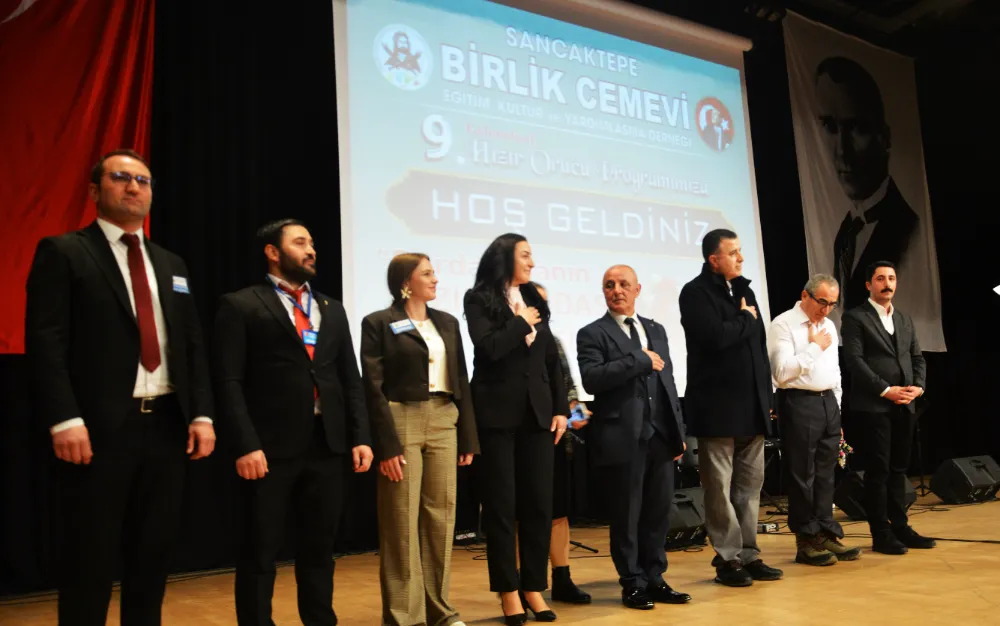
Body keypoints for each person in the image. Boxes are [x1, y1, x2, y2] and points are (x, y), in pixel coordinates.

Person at [25, 149, 216, 625]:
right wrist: (64, 419)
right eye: (120, 177)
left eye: (143, 180)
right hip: (97, 430)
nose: (133, 187)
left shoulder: (171, 263)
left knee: (152, 556)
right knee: (88, 559)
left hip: (167, 426)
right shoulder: (65, 251)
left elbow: (191, 346)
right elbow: (46, 344)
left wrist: (201, 414)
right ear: (95, 190)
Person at [213, 219, 373, 625]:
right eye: (300, 242)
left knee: (319, 549)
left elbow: (349, 378)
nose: (311, 250)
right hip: (268, 449)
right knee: (259, 550)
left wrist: (360, 435)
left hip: (326, 444)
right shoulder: (242, 304)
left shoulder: (331, 308)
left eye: (312, 243)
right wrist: (246, 444)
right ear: (273, 252)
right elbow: (229, 381)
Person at [360, 253, 479, 626]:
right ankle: (404, 616)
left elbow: (461, 379)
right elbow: (373, 387)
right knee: (401, 518)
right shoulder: (379, 322)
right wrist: (386, 444)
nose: (435, 279)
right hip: (401, 418)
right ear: (405, 282)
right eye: (427, 273)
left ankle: (440, 611)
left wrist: (468, 437)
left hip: (444, 417)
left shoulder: (447, 322)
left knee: (441, 516)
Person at [463, 233, 569, 626]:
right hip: (496, 417)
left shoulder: (534, 298)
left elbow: (550, 358)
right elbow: (488, 348)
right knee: (501, 508)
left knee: (539, 505)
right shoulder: (478, 299)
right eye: (525, 255)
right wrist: (519, 322)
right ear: (504, 258)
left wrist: (561, 408)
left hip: (537, 415)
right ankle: (508, 591)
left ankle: (533, 588)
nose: (531, 262)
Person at [576, 265, 691, 610]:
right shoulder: (592, 333)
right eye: (609, 285)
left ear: (637, 289)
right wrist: (637, 361)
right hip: (622, 436)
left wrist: (678, 431)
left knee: (658, 513)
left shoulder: (655, 329)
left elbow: (668, 382)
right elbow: (592, 379)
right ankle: (632, 583)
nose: (617, 290)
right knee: (627, 515)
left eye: (623, 284)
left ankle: (655, 578)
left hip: (661, 436)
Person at [678, 228, 783, 587]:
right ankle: (727, 559)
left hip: (752, 407)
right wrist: (745, 319)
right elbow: (714, 338)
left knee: (749, 488)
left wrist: (767, 399)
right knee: (719, 489)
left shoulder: (745, 291)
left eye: (740, 251)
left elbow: (759, 351)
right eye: (733, 252)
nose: (741, 258)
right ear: (714, 259)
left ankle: (749, 554)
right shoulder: (695, 293)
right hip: (717, 408)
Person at [768, 274, 862, 566]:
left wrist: (837, 409)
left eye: (832, 304)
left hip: (828, 402)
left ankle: (826, 534)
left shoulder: (829, 326)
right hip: (799, 403)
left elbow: (835, 371)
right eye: (822, 302)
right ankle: (806, 541)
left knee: (825, 474)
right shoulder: (783, 324)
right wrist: (813, 348)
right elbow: (781, 373)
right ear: (805, 295)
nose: (827, 309)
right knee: (802, 474)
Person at [840, 261, 933, 555]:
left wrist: (918, 387)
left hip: (905, 404)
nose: (887, 283)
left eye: (891, 278)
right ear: (869, 284)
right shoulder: (855, 317)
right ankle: (880, 532)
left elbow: (917, 357)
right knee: (878, 471)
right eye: (880, 278)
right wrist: (885, 390)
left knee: (898, 469)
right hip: (874, 406)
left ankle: (901, 527)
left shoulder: (903, 319)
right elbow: (855, 361)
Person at [815, 56, 918, 310]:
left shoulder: (908, 228)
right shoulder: (845, 232)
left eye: (857, 128)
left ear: (884, 137)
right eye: (830, 126)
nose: (842, 151)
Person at [532, 282, 591, 605]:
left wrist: (576, 411)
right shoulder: (509, 341)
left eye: (544, 302)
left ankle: (563, 579)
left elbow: (568, 388)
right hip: (525, 441)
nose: (541, 308)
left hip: (556, 440)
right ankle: (526, 583)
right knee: (525, 515)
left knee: (559, 513)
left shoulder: (553, 341)